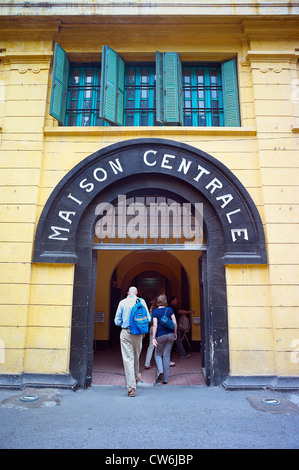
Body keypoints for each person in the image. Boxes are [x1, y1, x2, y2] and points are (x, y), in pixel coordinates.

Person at [114, 286, 150, 397]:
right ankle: (134, 378)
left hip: (126, 333)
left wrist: (124, 321)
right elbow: (148, 318)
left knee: (128, 359)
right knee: (136, 357)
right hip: (138, 334)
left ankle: (131, 388)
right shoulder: (141, 301)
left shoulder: (122, 302)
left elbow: (117, 321)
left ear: (128, 292)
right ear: (137, 293)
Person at [152, 294, 177, 385]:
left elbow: (155, 325)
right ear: (165, 301)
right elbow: (174, 322)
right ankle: (165, 379)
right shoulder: (169, 309)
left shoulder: (155, 312)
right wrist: (175, 333)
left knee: (158, 354)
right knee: (166, 356)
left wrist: (153, 337)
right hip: (170, 334)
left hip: (160, 335)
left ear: (158, 301)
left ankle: (160, 371)